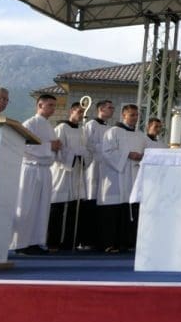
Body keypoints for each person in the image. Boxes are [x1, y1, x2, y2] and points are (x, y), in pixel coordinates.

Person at [11, 94, 62, 254]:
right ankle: (20, 244)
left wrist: (55, 147)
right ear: (40, 105)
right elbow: (24, 146)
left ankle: (35, 242)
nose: (53, 109)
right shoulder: (29, 124)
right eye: (50, 105)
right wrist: (49, 146)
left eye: (54, 106)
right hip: (30, 170)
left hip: (45, 170)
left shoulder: (48, 125)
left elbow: (53, 148)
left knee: (41, 207)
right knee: (27, 206)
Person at [99, 104, 148, 253]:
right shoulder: (113, 132)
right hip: (117, 176)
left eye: (137, 115)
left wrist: (141, 157)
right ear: (123, 115)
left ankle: (126, 243)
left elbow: (146, 152)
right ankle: (109, 243)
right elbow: (107, 152)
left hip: (133, 175)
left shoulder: (140, 135)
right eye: (132, 115)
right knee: (114, 210)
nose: (135, 118)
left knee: (130, 209)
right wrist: (127, 154)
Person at [47, 102, 89, 252]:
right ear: (71, 111)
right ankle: (53, 241)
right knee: (58, 206)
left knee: (73, 207)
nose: (81, 114)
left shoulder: (83, 131)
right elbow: (58, 149)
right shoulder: (61, 128)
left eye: (83, 112)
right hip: (63, 170)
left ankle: (70, 241)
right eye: (79, 111)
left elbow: (87, 150)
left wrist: (83, 154)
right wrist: (74, 153)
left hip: (77, 171)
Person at [79, 100, 113, 251]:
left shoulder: (111, 128)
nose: (112, 110)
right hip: (93, 166)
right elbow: (88, 144)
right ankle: (86, 240)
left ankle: (99, 239)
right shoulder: (91, 125)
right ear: (100, 109)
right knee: (91, 199)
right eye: (109, 108)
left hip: (105, 167)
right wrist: (105, 150)